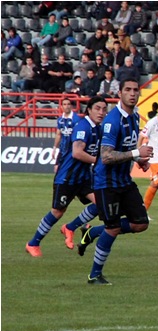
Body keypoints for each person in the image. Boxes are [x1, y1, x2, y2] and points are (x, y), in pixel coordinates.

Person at [83, 79, 153, 285]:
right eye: (128, 90)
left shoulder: (134, 116)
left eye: (135, 90)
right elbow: (106, 157)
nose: (132, 94)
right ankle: (94, 274)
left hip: (124, 180)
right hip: (107, 183)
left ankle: (94, 231)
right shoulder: (113, 121)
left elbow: (127, 148)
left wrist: (139, 160)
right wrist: (135, 153)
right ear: (120, 93)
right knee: (112, 228)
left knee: (141, 223)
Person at [25, 97, 107, 257]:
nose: (101, 112)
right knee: (57, 211)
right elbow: (77, 153)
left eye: (104, 109)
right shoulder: (83, 126)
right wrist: (99, 162)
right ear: (89, 109)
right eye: (98, 108)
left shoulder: (98, 128)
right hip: (67, 176)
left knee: (101, 202)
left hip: (83, 177)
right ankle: (33, 243)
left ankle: (70, 227)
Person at [52, 99, 82, 169]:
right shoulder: (60, 119)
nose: (67, 106)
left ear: (71, 106)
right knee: (57, 168)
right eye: (64, 104)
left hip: (73, 150)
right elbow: (58, 134)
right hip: (63, 149)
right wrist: (54, 148)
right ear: (61, 106)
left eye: (68, 104)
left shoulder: (76, 119)